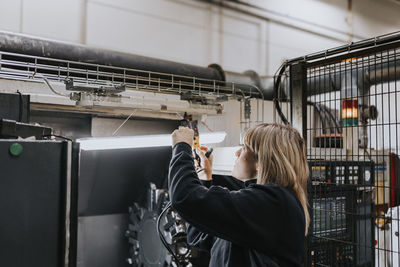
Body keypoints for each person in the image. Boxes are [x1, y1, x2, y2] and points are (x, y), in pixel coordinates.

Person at [169, 123, 310, 267]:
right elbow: (199, 236)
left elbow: (184, 197)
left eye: (244, 148)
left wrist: (182, 146)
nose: (237, 153)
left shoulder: (273, 202)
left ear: (261, 161)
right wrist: (205, 178)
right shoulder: (264, 204)